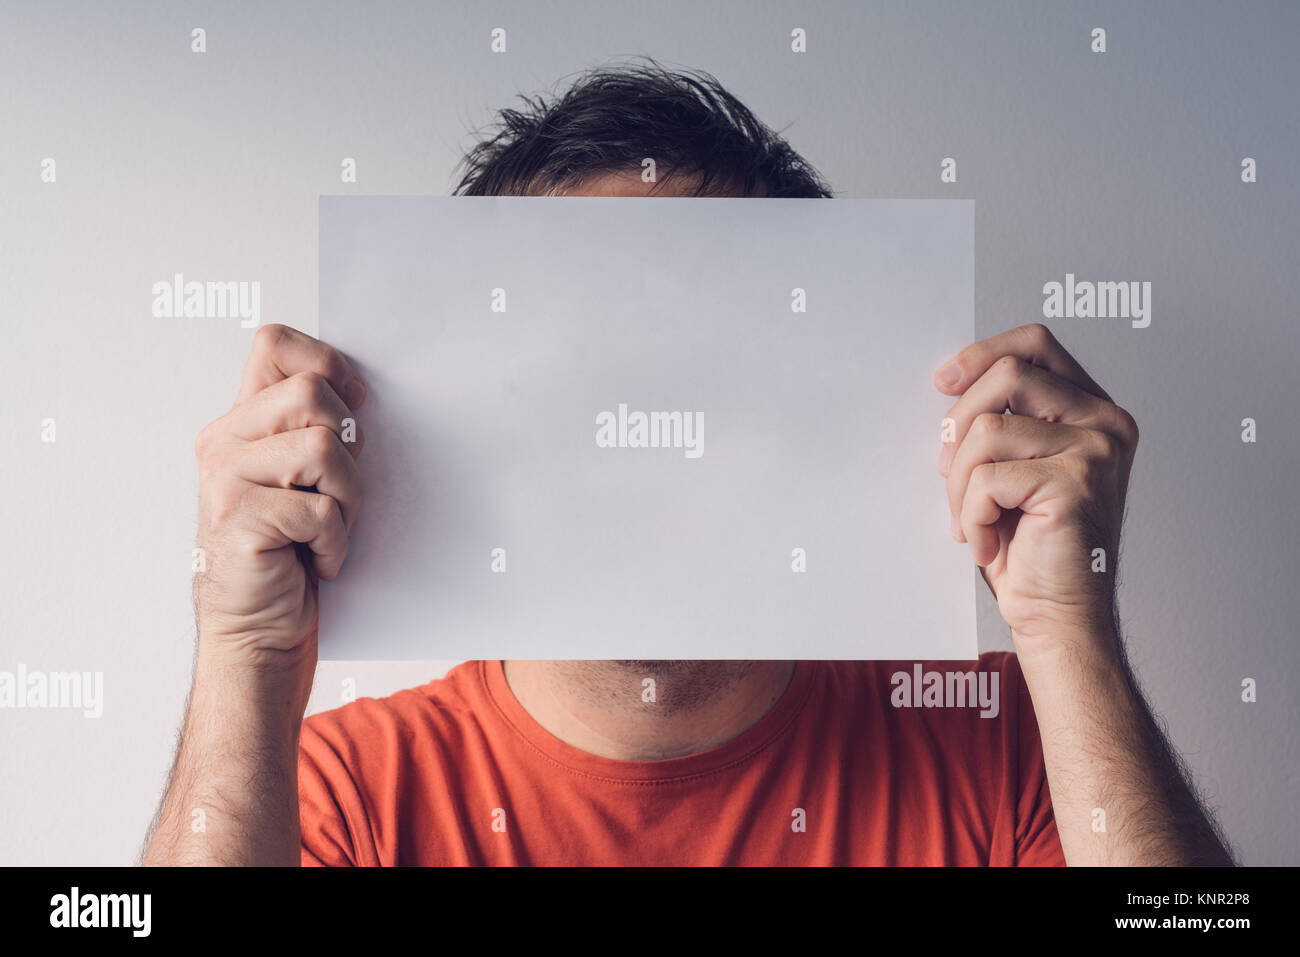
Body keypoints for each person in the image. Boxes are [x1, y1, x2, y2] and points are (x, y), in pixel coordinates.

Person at [143, 62, 1233, 866]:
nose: (639, 428)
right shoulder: (340, 792)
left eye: (707, 362)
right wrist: (241, 652)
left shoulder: (1007, 740)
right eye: (573, 364)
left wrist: (1065, 624)